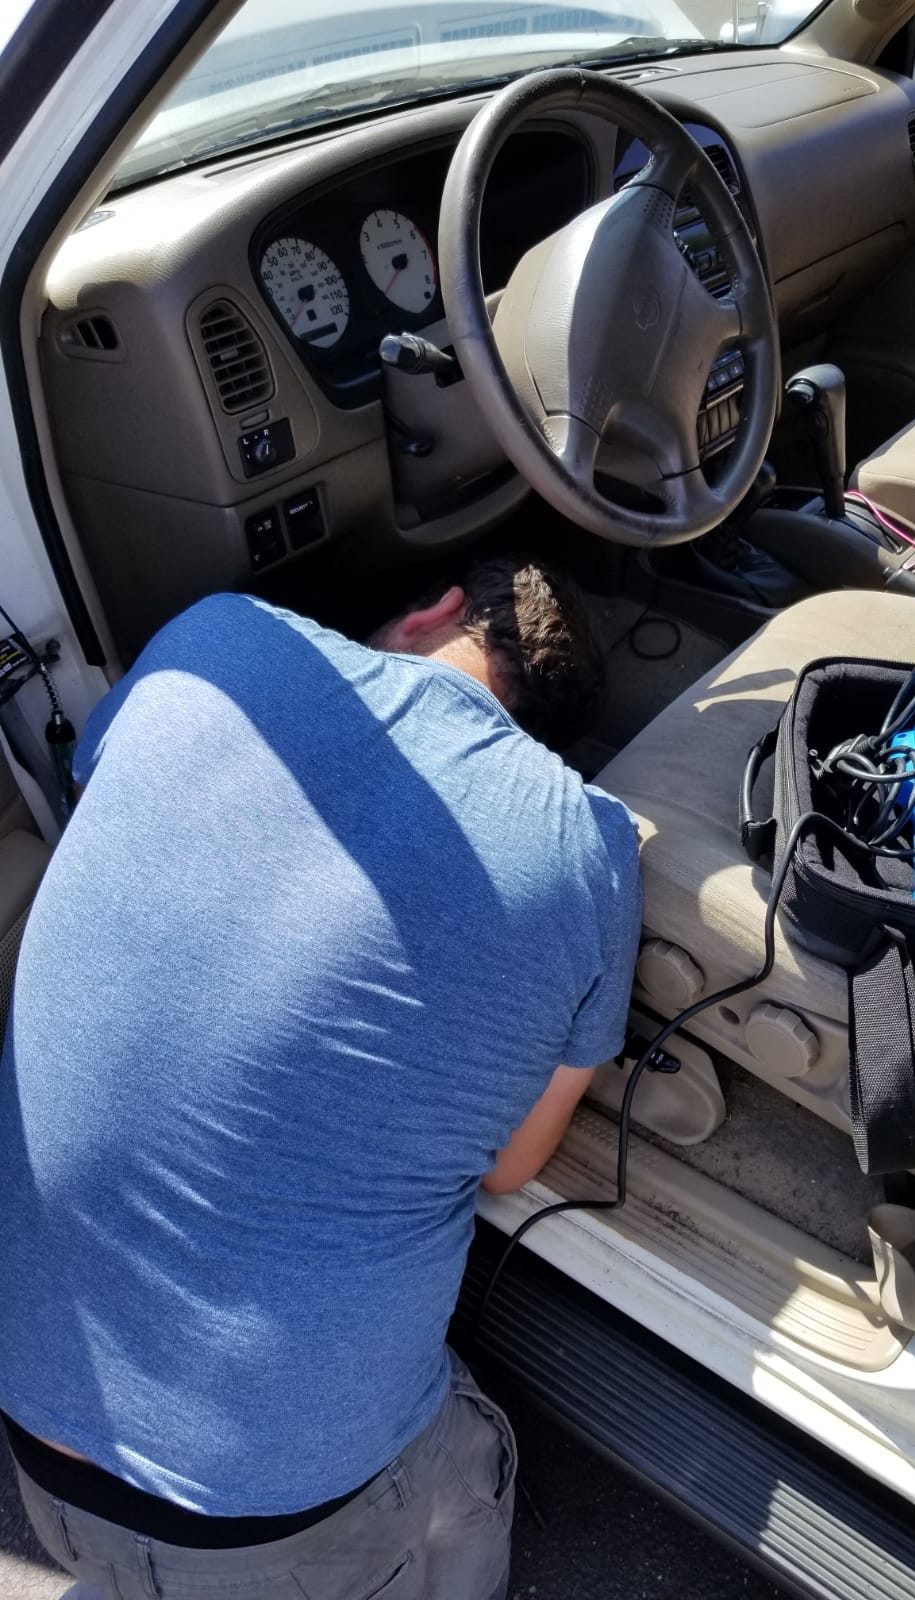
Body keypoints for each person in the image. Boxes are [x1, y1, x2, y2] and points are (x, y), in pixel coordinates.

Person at [0, 556, 643, 1600]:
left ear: (436, 611)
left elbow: (102, 806)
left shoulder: (219, 639)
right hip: (272, 1521)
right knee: (470, 1458)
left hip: (32, 1426)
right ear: (550, 740)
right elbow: (510, 1164)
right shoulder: (589, 848)